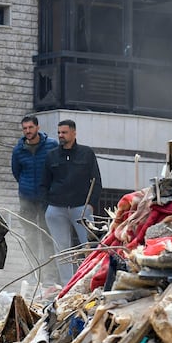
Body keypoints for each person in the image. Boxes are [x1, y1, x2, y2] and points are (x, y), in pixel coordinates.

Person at [40, 120, 102, 285]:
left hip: (81, 208)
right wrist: (48, 206)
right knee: (62, 250)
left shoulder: (87, 153)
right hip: (56, 208)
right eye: (59, 132)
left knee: (90, 246)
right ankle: (67, 285)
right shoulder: (51, 155)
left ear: (74, 133)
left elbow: (96, 181)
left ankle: (91, 281)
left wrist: (91, 205)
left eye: (64, 132)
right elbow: (44, 183)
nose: (61, 135)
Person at [11, 115, 57, 276]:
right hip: (27, 199)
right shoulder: (18, 150)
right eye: (25, 128)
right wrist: (26, 186)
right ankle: (33, 274)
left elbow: (56, 168)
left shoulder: (52, 145)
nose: (28, 131)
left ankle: (50, 274)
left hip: (46, 198)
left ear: (37, 127)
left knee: (47, 235)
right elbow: (17, 172)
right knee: (30, 236)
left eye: (30, 127)